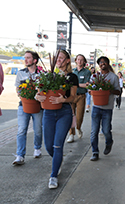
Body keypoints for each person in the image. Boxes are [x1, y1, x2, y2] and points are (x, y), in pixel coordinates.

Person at [35, 50, 79, 189]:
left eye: (61, 58)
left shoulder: (72, 77)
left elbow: (73, 97)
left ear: (67, 60)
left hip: (64, 112)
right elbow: (38, 92)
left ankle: (53, 176)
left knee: (57, 145)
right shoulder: (48, 76)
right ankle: (57, 160)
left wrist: (64, 99)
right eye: (57, 58)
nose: (58, 60)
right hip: (48, 112)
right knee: (48, 145)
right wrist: (37, 97)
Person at [13, 51, 43, 165]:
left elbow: (44, 89)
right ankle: (20, 155)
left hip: (38, 107)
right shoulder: (21, 73)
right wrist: (22, 96)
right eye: (25, 58)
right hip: (23, 105)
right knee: (21, 130)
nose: (25, 60)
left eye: (28, 58)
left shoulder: (41, 74)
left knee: (38, 130)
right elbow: (18, 89)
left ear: (34, 60)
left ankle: (37, 148)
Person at [89, 56, 120, 161]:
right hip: (96, 107)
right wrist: (91, 91)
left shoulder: (113, 77)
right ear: (99, 65)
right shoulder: (94, 76)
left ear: (108, 64)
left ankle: (109, 142)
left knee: (106, 130)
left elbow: (118, 91)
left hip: (107, 108)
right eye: (100, 63)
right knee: (94, 132)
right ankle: (95, 152)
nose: (102, 64)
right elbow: (90, 89)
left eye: (104, 62)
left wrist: (110, 91)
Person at [67, 54, 91, 143]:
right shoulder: (72, 72)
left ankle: (78, 128)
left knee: (79, 116)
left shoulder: (87, 72)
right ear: (75, 61)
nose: (79, 61)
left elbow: (87, 84)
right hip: (72, 95)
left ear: (84, 61)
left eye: (81, 60)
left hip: (81, 96)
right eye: (78, 59)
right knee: (71, 115)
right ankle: (71, 134)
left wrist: (75, 85)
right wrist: (79, 85)